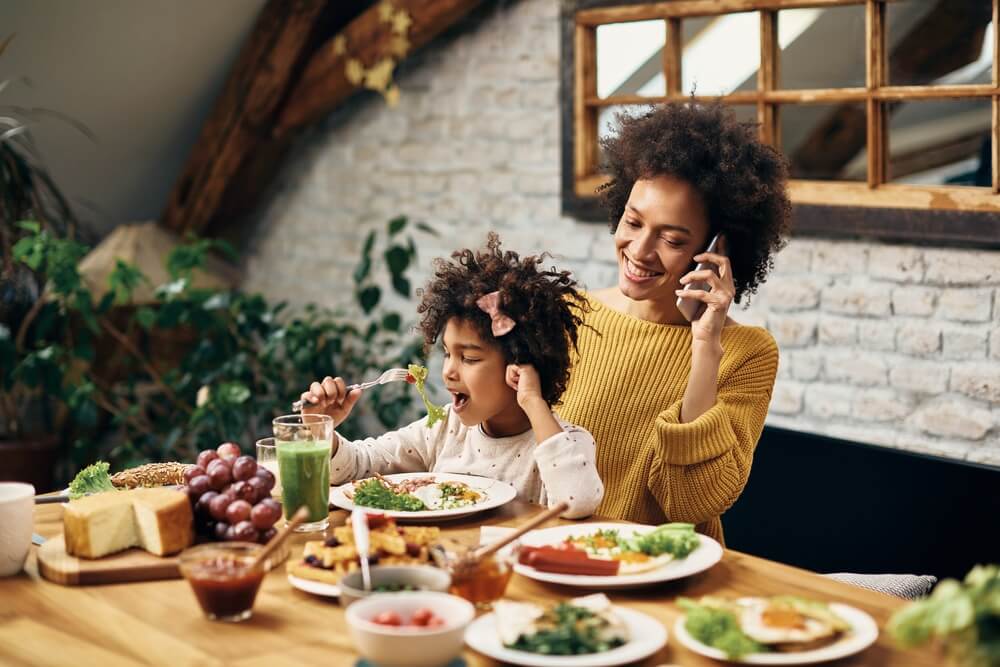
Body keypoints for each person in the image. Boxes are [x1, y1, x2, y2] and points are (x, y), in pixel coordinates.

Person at [556, 102, 790, 542]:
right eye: (633, 222)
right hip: (558, 557)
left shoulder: (748, 353)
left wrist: (705, 345)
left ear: (718, 249)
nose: (640, 251)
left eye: (671, 238)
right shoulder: (572, 315)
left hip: (661, 576)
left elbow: (692, 504)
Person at [301, 234, 603, 519]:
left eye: (469, 358)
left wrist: (532, 401)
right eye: (447, 353)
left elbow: (576, 501)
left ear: (520, 367)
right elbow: (361, 467)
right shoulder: (444, 429)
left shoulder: (563, 444)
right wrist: (321, 431)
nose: (448, 371)